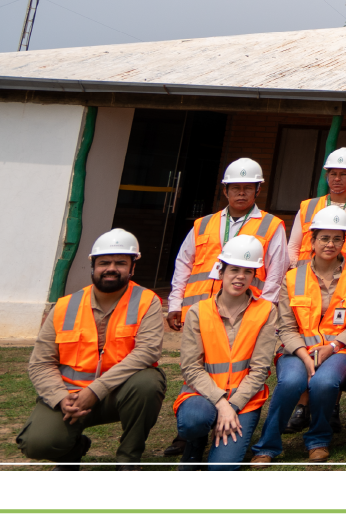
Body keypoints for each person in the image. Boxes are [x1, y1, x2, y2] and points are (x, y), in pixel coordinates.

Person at [18, 229, 165, 468]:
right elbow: (41, 363)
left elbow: (147, 352)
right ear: (93, 266)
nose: (111, 268)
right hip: (70, 395)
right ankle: (72, 451)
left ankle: (128, 460)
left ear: (132, 268)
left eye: (121, 263)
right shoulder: (65, 306)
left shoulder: (148, 301)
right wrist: (60, 399)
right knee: (36, 444)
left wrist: (95, 391)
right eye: (104, 262)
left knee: (148, 382)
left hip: (117, 394)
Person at [251, 206, 346, 464]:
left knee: (324, 383)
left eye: (338, 238)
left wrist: (334, 346)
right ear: (312, 240)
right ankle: (267, 445)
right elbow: (287, 326)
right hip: (297, 349)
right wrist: (304, 355)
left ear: (345, 242)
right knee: (291, 382)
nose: (330, 244)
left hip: (338, 350)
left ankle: (318, 440)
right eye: (324, 238)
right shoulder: (292, 278)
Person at [172, 234, 281, 470]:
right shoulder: (197, 312)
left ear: (254, 276)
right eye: (234, 270)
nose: (240, 277)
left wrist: (233, 406)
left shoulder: (266, 311)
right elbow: (191, 367)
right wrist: (221, 403)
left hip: (244, 400)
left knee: (221, 469)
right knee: (194, 422)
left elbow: (260, 369)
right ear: (221, 273)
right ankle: (195, 442)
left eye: (248, 271)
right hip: (202, 394)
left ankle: (218, 438)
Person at [166, 158, 289, 327]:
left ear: (258, 190)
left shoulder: (272, 225)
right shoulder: (203, 224)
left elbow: (277, 273)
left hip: (244, 313)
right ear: (225, 191)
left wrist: (265, 309)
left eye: (248, 188)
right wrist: (175, 303)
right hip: (198, 310)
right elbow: (183, 264)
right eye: (235, 188)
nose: (241, 193)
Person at [291, 147, 346, 266]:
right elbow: (293, 247)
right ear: (327, 175)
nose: (337, 179)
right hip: (306, 278)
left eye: (343, 174)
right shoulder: (308, 206)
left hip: (345, 279)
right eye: (333, 174)